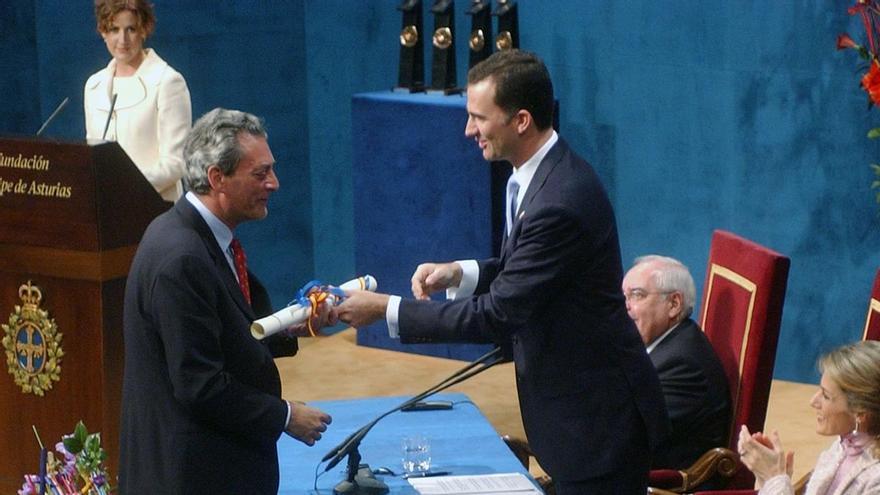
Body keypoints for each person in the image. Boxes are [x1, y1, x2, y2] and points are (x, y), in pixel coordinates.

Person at [337, 50, 668, 494]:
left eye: (478, 117)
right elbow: (528, 273)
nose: (468, 129)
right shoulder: (537, 177)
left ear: (521, 120)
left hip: (597, 423)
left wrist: (386, 311)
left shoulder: (560, 201)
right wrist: (461, 274)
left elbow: (499, 313)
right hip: (576, 414)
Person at [119, 108, 332, 494]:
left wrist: (291, 323)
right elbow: (199, 384)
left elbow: (229, 326)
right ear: (217, 177)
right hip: (195, 476)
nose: (275, 183)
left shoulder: (200, 236)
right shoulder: (181, 258)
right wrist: (285, 417)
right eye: (260, 173)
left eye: (272, 169)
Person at [622, 255, 731, 470]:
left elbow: (625, 434)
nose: (625, 307)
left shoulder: (683, 365)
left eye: (637, 295)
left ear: (674, 304)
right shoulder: (661, 341)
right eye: (623, 297)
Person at [738, 340, 880, 495]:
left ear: (860, 413)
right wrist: (767, 474)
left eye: (826, 396)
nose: (813, 401)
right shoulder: (840, 447)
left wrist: (775, 479)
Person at [84, 0, 191, 202]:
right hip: (107, 209)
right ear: (103, 32)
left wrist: (127, 186)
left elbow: (177, 162)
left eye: (131, 29)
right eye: (114, 29)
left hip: (155, 208)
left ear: (144, 30)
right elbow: (93, 156)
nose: (122, 39)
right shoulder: (93, 85)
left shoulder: (167, 81)